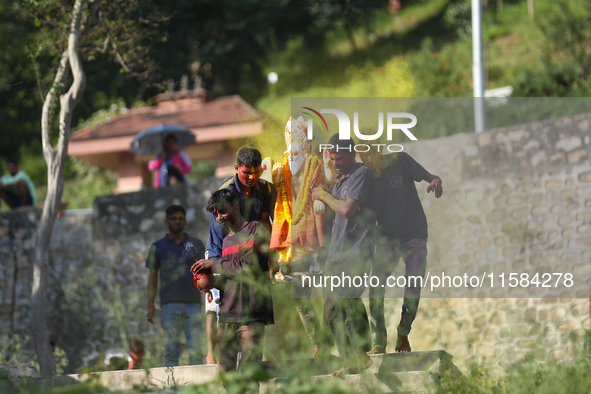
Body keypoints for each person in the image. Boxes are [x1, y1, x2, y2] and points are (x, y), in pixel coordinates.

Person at [358, 149, 443, 354]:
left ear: (379, 148)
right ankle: (379, 341)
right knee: (375, 287)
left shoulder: (400, 160)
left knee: (413, 288)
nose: (369, 159)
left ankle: (403, 333)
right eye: (364, 155)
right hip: (386, 240)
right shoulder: (362, 175)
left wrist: (436, 181)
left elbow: (431, 176)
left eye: (372, 153)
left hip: (414, 234)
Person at [191, 189, 273, 384]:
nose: (219, 218)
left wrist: (213, 263)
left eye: (222, 211)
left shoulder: (254, 229)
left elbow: (247, 268)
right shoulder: (226, 240)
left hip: (251, 314)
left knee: (249, 374)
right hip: (227, 315)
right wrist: (211, 283)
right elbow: (232, 274)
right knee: (226, 374)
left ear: (236, 206)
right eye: (215, 214)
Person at [311, 134, 375, 378]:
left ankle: (361, 354)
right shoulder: (339, 179)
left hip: (357, 249)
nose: (336, 162)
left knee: (347, 298)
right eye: (332, 158)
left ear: (352, 153)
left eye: (340, 158)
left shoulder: (362, 174)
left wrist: (324, 196)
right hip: (336, 252)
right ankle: (350, 359)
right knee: (331, 308)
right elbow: (334, 215)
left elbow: (348, 209)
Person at [204, 146, 274, 365]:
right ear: (236, 169)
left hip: (251, 242)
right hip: (223, 247)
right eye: (246, 173)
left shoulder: (265, 189)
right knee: (216, 301)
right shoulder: (226, 195)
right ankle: (210, 355)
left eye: (256, 172)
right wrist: (211, 272)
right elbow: (218, 232)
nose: (252, 177)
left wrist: (272, 261)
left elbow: (265, 222)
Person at [270, 117, 334, 358]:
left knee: (326, 293)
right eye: (290, 151)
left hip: (316, 239)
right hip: (293, 242)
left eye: (296, 151)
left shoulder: (316, 164)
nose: (292, 155)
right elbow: (273, 180)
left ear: (306, 148)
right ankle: (319, 342)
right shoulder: (284, 167)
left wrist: (318, 199)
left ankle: (338, 342)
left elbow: (327, 182)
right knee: (300, 298)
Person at [146, 205, 206, 367]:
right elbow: (152, 277)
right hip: (169, 306)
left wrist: (209, 292)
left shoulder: (195, 243)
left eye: (181, 218)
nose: (177, 221)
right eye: (174, 218)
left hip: (193, 305)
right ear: (167, 221)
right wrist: (151, 303)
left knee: (196, 351)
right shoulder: (157, 247)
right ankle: (171, 389)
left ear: (185, 221)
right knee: (171, 352)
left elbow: (205, 272)